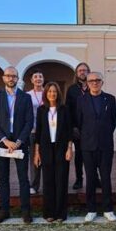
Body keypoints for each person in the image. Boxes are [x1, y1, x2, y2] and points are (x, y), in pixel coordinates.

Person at [0, 66, 34, 224]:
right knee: (3, 179)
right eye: (8, 76)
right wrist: (5, 141)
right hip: (2, 143)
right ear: (3, 78)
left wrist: (18, 141)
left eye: (14, 76)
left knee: (23, 179)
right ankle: (4, 210)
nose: (11, 78)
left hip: (20, 143)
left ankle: (26, 211)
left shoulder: (26, 97)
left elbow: (29, 122)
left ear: (18, 78)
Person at [77, 71, 116, 222]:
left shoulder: (110, 99)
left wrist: (103, 134)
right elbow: (79, 122)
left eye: (97, 80)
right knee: (91, 178)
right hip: (88, 145)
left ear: (102, 82)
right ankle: (91, 209)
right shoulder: (81, 100)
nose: (94, 82)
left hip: (105, 145)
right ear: (87, 83)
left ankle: (108, 209)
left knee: (106, 178)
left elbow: (113, 122)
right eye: (91, 80)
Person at [33, 82, 73, 222]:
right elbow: (38, 132)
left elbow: (69, 131)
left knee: (61, 180)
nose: (52, 94)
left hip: (61, 148)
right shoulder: (41, 110)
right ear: (46, 93)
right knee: (48, 181)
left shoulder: (64, 109)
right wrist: (37, 153)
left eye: (54, 91)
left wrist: (69, 149)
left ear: (58, 94)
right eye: (49, 91)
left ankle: (61, 213)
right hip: (45, 148)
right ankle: (49, 212)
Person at [66, 62, 90, 190]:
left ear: (88, 72)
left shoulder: (93, 87)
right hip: (77, 129)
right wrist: (72, 127)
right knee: (79, 155)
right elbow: (68, 110)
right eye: (80, 70)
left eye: (85, 70)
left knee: (93, 155)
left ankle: (95, 178)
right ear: (77, 73)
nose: (82, 72)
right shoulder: (72, 89)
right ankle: (79, 179)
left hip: (92, 129)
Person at [27, 69, 45, 194]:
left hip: (48, 131)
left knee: (49, 158)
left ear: (43, 79)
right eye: (35, 77)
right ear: (32, 80)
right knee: (35, 158)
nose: (38, 78)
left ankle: (49, 184)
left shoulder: (48, 92)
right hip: (33, 131)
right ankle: (34, 185)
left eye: (40, 76)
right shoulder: (27, 95)